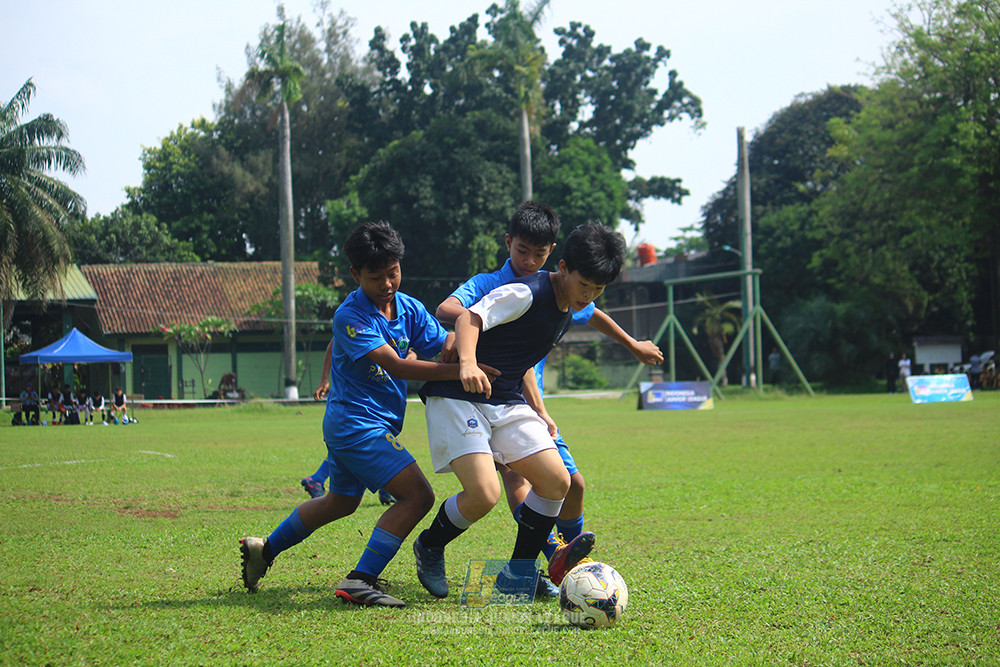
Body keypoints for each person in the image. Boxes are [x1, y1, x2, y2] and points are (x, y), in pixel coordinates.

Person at [239, 221, 497, 608]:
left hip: (359, 426)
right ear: (355, 274)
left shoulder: (408, 308)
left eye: (393, 272)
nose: (387, 284)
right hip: (357, 426)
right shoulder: (350, 316)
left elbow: (439, 339)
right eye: (376, 277)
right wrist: (462, 370)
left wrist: (462, 346)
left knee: (340, 502)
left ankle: (266, 549)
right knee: (418, 496)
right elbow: (397, 366)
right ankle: (361, 580)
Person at [432, 201, 662, 597]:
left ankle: (527, 570)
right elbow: (464, 314)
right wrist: (466, 354)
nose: (589, 295)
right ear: (564, 268)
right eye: (585, 285)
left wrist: (631, 344)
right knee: (490, 491)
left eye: (598, 289)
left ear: (552, 254)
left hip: (509, 398)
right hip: (466, 395)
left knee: (563, 482)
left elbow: (589, 314)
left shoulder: (571, 299)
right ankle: (436, 545)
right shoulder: (518, 288)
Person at [300, 340, 396, 506]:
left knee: (360, 447)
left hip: (376, 398)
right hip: (355, 400)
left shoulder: (399, 329)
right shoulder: (354, 326)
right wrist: (324, 379)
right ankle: (386, 488)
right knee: (371, 444)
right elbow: (332, 345)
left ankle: (317, 479)